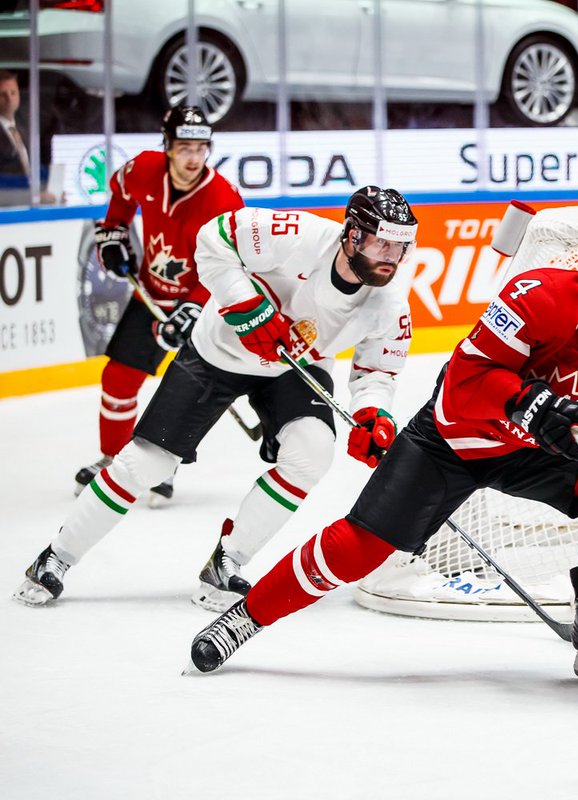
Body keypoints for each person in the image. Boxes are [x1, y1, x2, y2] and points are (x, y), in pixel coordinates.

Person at [187, 212, 578, 684]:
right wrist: (524, 403)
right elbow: (462, 389)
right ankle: (244, 620)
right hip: (454, 440)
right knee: (358, 548)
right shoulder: (536, 296)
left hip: (539, 449)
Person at [14, 187, 418, 611]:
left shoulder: (390, 304)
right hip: (217, 353)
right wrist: (248, 309)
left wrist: (374, 414)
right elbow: (214, 238)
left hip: (294, 367)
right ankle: (57, 555)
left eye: (400, 246)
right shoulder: (297, 235)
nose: (391, 255)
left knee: (312, 453)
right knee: (147, 463)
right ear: (352, 235)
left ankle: (229, 560)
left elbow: (377, 371)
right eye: (381, 241)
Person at [73, 105, 244, 505]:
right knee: (118, 378)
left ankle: (158, 468)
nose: (193, 158)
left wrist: (196, 306)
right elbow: (119, 194)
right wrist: (113, 232)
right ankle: (113, 460)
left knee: (183, 394)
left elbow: (232, 265)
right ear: (167, 147)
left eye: (201, 148)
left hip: (201, 305)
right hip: (149, 294)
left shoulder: (223, 198)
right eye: (184, 147)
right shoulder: (143, 170)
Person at [0, 70, 54, 205]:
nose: (9, 99)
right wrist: (31, 197)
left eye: (13, 93)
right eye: (2, 94)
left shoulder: (23, 129)